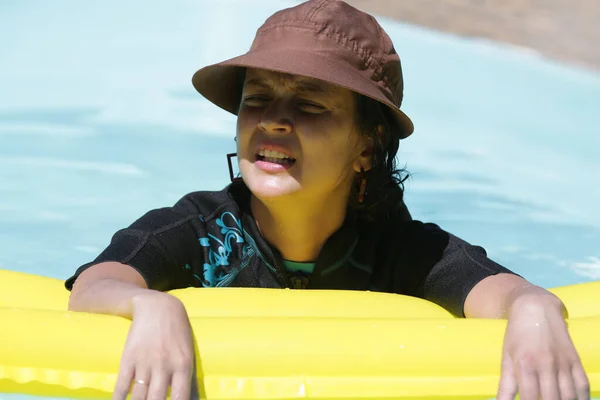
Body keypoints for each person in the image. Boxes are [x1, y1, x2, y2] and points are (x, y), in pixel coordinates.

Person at [64, 1, 590, 399]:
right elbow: (97, 283)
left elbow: (500, 292)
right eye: (257, 99)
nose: (272, 118)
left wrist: (534, 308)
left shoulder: (401, 250)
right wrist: (149, 306)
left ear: (367, 145)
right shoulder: (200, 229)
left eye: (311, 103)